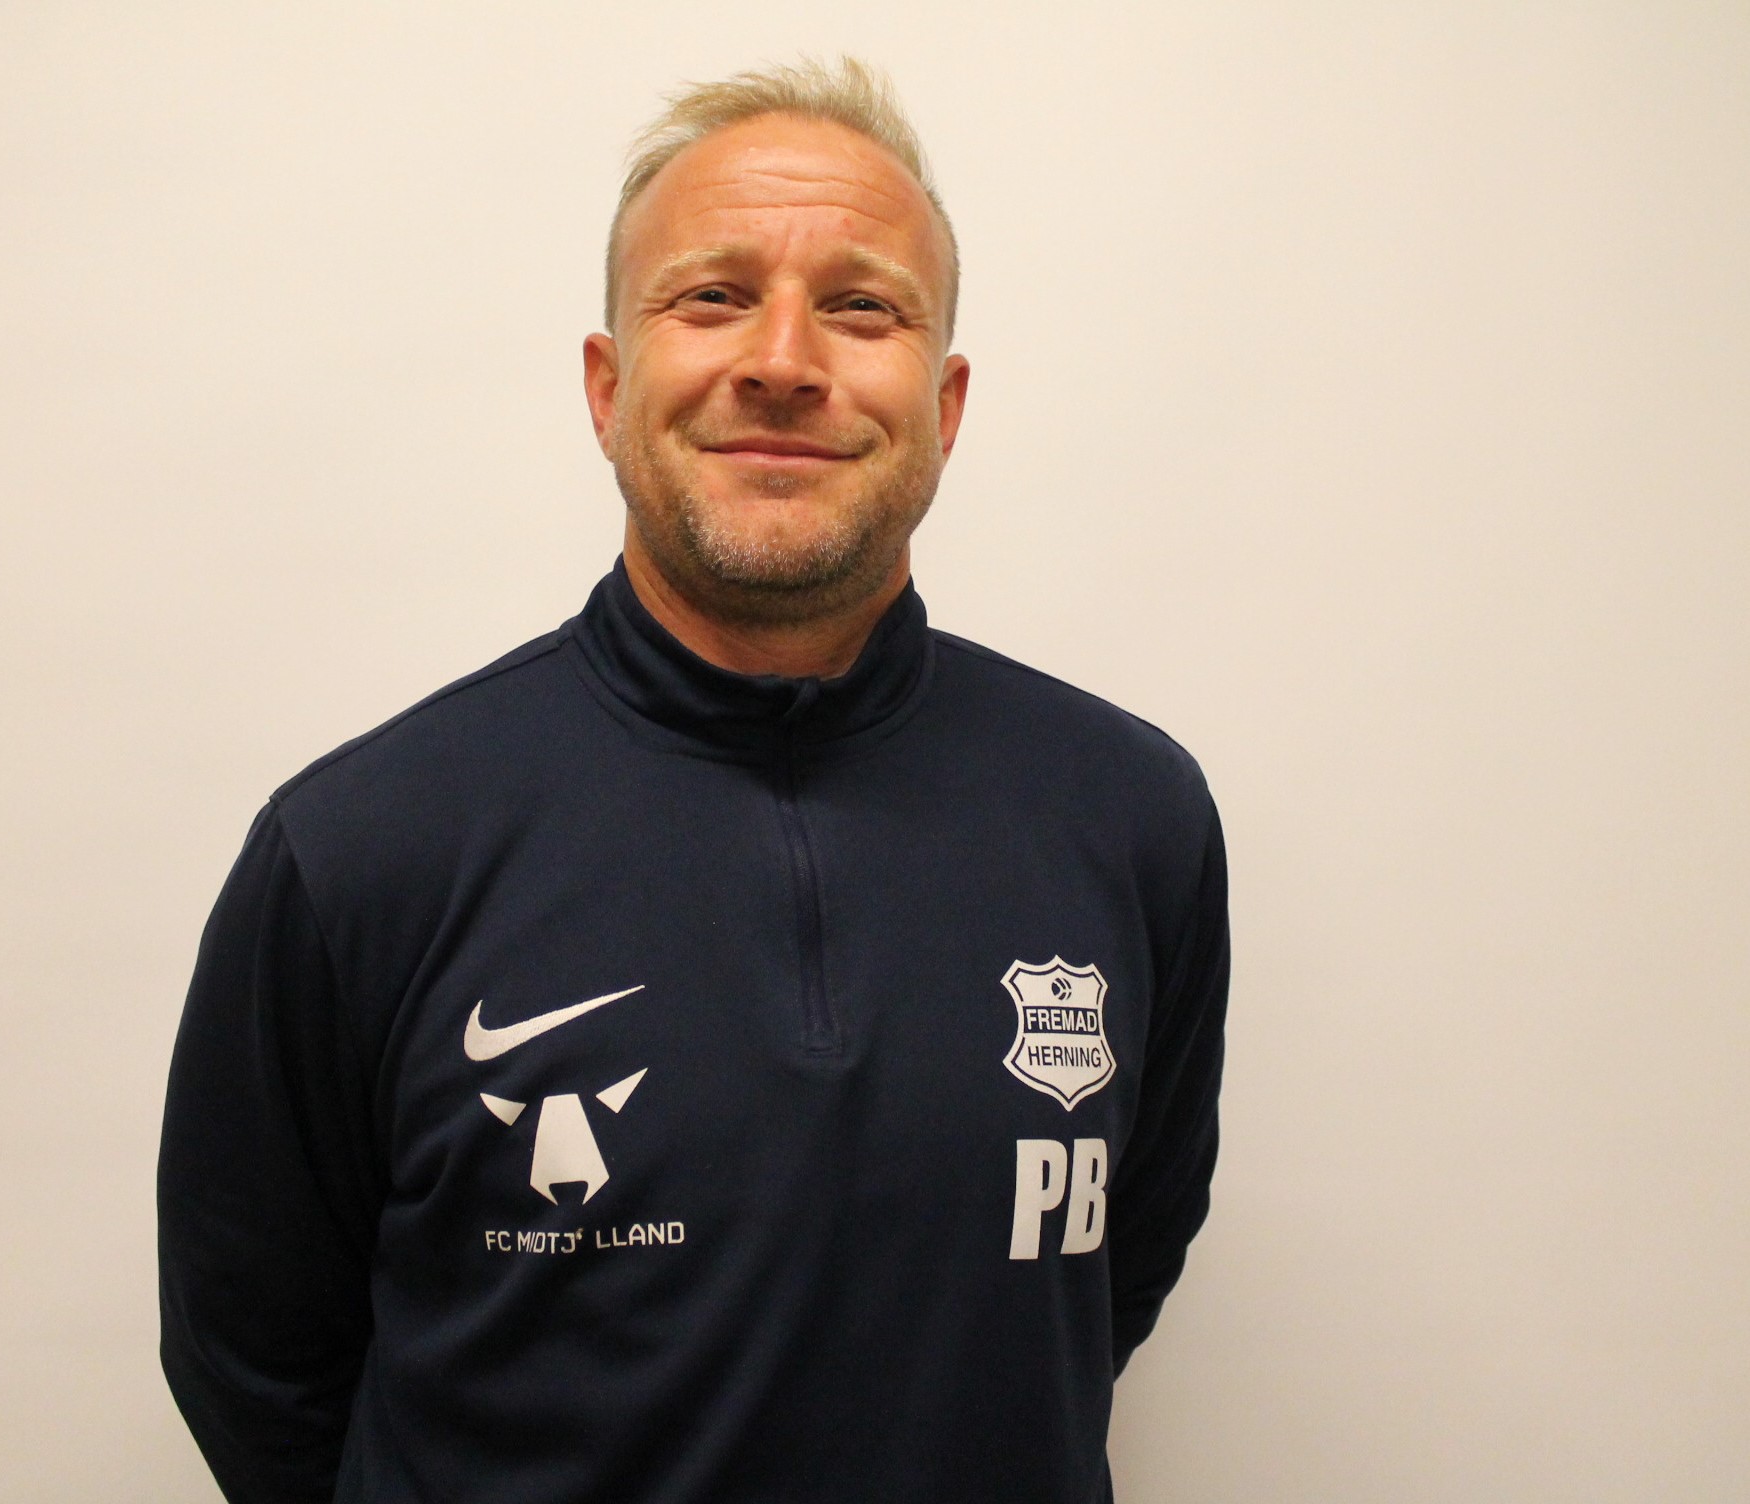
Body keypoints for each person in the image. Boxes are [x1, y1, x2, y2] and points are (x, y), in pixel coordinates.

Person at [159, 56, 1229, 1504]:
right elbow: (255, 1360)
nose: (782, 359)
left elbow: (1113, 1271)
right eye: (713, 296)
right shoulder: (361, 848)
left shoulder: (1128, 816)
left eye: (862, 308)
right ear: (608, 389)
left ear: (945, 402)